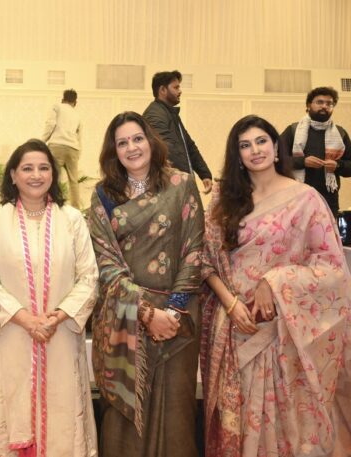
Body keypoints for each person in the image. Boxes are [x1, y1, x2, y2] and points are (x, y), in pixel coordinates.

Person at [200, 115, 351, 457]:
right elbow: (204, 261)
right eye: (244, 145)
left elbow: (332, 268)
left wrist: (275, 281)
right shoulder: (224, 199)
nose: (255, 150)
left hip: (281, 333)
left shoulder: (306, 199)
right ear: (236, 155)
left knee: (278, 423)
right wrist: (230, 303)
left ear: (275, 146)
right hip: (233, 329)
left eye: (261, 141)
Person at [87, 111, 204, 457]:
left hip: (177, 320)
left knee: (177, 411)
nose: (131, 147)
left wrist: (173, 310)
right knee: (124, 420)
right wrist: (146, 311)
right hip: (126, 318)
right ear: (113, 151)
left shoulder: (181, 184)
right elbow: (105, 263)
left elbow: (194, 249)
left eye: (137, 138)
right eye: (122, 142)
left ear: (151, 141)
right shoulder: (103, 195)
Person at [0, 139, 98, 457]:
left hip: (61, 335)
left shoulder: (72, 220)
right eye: (27, 168)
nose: (36, 175)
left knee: (62, 417)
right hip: (12, 333)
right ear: (13, 175)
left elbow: (89, 277)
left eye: (43, 168)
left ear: (53, 175)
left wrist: (59, 315)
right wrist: (25, 319)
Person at [280, 86, 351, 216]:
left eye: (329, 103)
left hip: (329, 200)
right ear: (308, 105)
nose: (324, 106)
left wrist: (338, 165)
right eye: (319, 102)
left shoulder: (341, 134)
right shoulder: (293, 130)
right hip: (296, 198)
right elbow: (276, 161)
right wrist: (302, 162)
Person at [143, 70, 213, 194]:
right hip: (170, 187)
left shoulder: (170, 114)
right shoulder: (154, 115)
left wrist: (204, 174)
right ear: (163, 90)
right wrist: (186, 180)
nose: (180, 91)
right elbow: (168, 151)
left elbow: (189, 147)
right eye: (175, 87)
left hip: (178, 184)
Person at [41, 89, 84, 208]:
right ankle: (76, 209)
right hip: (73, 148)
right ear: (75, 102)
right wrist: (78, 153)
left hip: (57, 146)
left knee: (54, 178)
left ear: (63, 99)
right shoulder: (77, 115)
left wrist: (42, 141)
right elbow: (79, 136)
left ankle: (53, 206)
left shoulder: (57, 107)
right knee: (74, 181)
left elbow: (50, 124)